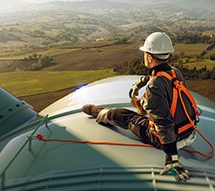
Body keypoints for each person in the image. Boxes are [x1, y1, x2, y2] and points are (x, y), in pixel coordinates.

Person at [82, 32, 199, 182]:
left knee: (123, 115)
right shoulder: (175, 72)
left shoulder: (154, 87)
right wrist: (139, 83)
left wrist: (172, 158)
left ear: (149, 57)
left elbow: (163, 122)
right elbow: (156, 76)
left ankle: (98, 112)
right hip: (189, 132)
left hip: (170, 140)